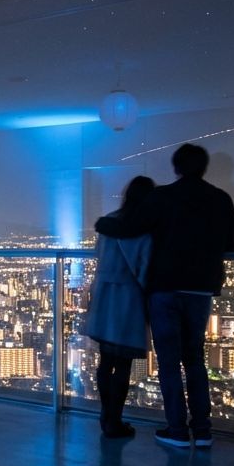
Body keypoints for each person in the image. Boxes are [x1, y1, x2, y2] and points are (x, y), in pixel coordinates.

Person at [96, 144, 234, 449]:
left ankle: (177, 430)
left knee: (169, 362)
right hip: (201, 288)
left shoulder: (162, 197)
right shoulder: (221, 199)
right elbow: (233, 242)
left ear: (176, 168)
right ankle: (202, 431)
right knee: (195, 360)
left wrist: (101, 223)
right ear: (205, 168)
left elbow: (130, 227)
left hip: (165, 289)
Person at [83, 176, 156, 438]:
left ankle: (105, 416)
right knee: (123, 364)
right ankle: (115, 419)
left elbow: (98, 256)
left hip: (104, 294)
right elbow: (145, 267)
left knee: (105, 360)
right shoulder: (144, 228)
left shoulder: (108, 223)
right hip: (128, 297)